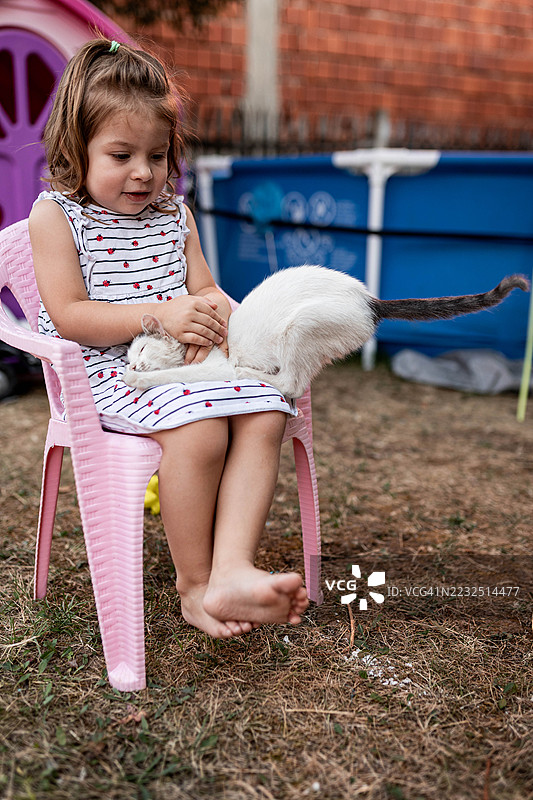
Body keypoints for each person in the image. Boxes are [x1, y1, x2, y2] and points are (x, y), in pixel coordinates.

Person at [29, 37, 309, 639]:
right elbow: (71, 315)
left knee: (265, 412)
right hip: (112, 375)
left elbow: (206, 289)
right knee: (203, 429)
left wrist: (224, 315)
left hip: (185, 368)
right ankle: (195, 585)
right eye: (121, 154)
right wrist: (161, 314)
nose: (143, 172)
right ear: (77, 150)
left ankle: (233, 568)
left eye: (156, 155)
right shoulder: (55, 216)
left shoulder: (173, 215)